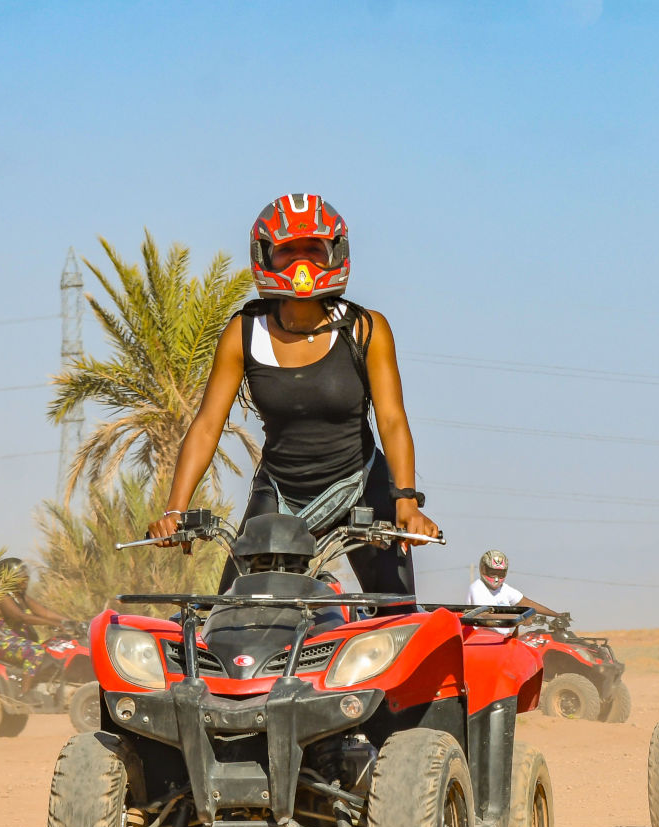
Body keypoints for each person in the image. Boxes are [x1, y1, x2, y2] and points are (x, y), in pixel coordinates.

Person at [147, 193, 439, 595]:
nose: (302, 264)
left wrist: (406, 501)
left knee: (397, 616)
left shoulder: (367, 330)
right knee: (232, 617)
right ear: (265, 256)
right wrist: (175, 511)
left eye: (313, 250)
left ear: (335, 254)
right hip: (281, 494)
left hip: (360, 486)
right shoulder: (243, 333)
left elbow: (391, 419)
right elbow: (208, 424)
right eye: (288, 252)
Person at [0, 558, 71, 687]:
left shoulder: (20, 595)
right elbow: (21, 617)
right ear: (9, 578)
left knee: (53, 647)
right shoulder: (2, 597)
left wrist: (70, 621)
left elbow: (44, 612)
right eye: (20, 574)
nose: (25, 577)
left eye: (25, 572)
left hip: (16, 639)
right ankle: (24, 695)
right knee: (35, 651)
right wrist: (55, 624)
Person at [467, 549, 558, 615]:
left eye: (500, 573)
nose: (496, 578)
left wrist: (556, 615)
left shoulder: (504, 589)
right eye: (493, 573)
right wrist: (521, 619)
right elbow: (486, 614)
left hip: (501, 638)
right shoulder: (477, 588)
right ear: (483, 570)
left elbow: (526, 603)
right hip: (480, 638)